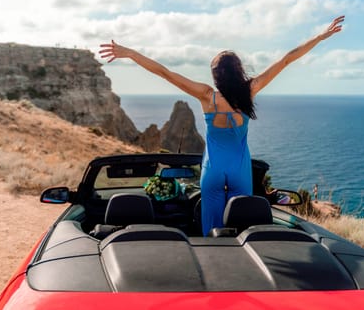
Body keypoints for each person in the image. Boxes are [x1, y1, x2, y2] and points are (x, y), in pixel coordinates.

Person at [99, 15, 344, 235]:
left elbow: (164, 72)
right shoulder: (249, 91)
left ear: (216, 75)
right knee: (242, 226)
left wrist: (130, 53)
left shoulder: (207, 96)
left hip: (213, 169)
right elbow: (287, 60)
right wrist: (321, 36)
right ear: (238, 71)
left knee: (212, 228)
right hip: (239, 169)